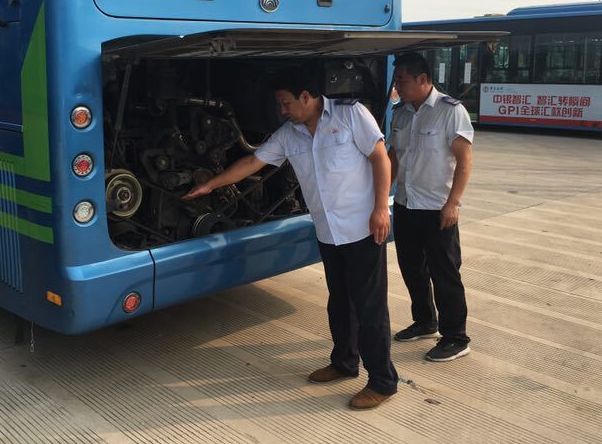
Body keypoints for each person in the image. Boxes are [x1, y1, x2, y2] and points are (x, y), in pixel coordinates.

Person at [184, 70, 398, 409]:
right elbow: (252, 161)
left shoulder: (350, 114)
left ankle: (383, 382)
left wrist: (381, 209)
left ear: (306, 96)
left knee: (369, 308)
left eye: (285, 103)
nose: (282, 110)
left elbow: (379, 157)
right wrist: (211, 184)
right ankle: (344, 362)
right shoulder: (289, 134)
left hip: (362, 229)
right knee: (340, 303)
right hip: (328, 232)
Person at [388, 52, 473, 362]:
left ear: (422, 79)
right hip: (406, 204)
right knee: (412, 268)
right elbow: (394, 157)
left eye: (402, 80)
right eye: (396, 80)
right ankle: (425, 322)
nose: (397, 86)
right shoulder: (400, 113)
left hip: (438, 208)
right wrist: (382, 196)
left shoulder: (451, 111)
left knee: (445, 273)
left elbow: (465, 160)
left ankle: (456, 338)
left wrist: (454, 203)